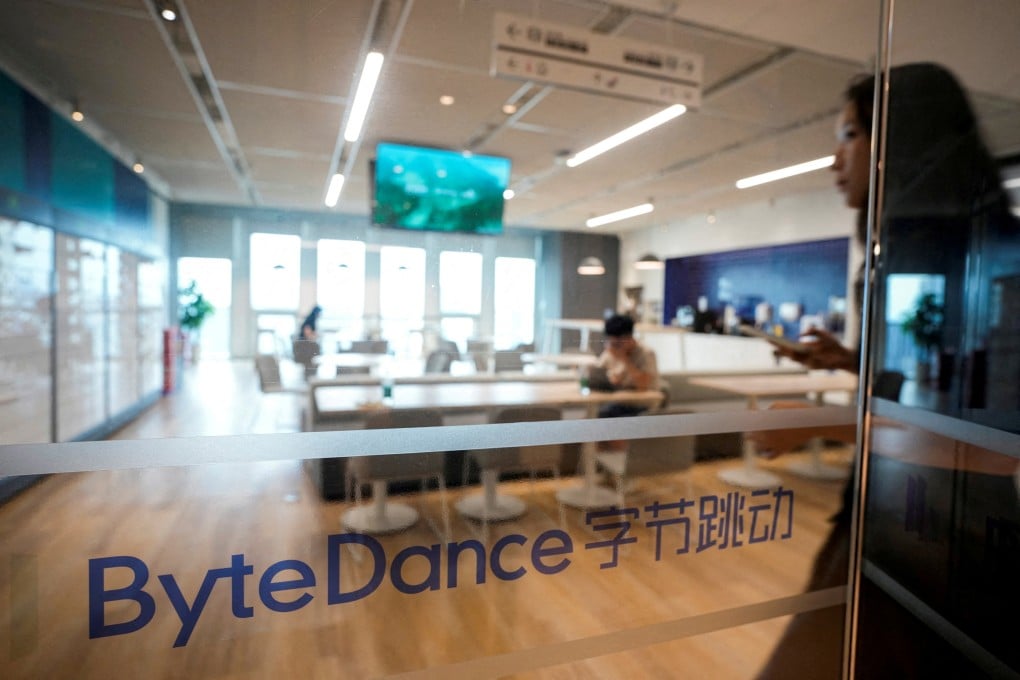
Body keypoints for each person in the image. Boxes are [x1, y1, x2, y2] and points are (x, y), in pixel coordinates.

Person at [755, 63, 1020, 678]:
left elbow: (993, 448)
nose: (834, 158)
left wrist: (822, 424)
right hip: (888, 518)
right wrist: (851, 360)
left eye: (850, 134)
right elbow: (934, 385)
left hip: (951, 545)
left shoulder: (993, 258)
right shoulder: (898, 255)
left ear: (900, 143)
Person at [594, 313, 659, 418]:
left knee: (605, 414)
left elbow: (644, 385)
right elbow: (598, 372)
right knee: (598, 413)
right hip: (619, 400)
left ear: (629, 338)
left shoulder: (646, 353)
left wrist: (624, 359)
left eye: (618, 343)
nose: (614, 345)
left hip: (642, 404)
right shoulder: (611, 351)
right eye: (611, 341)